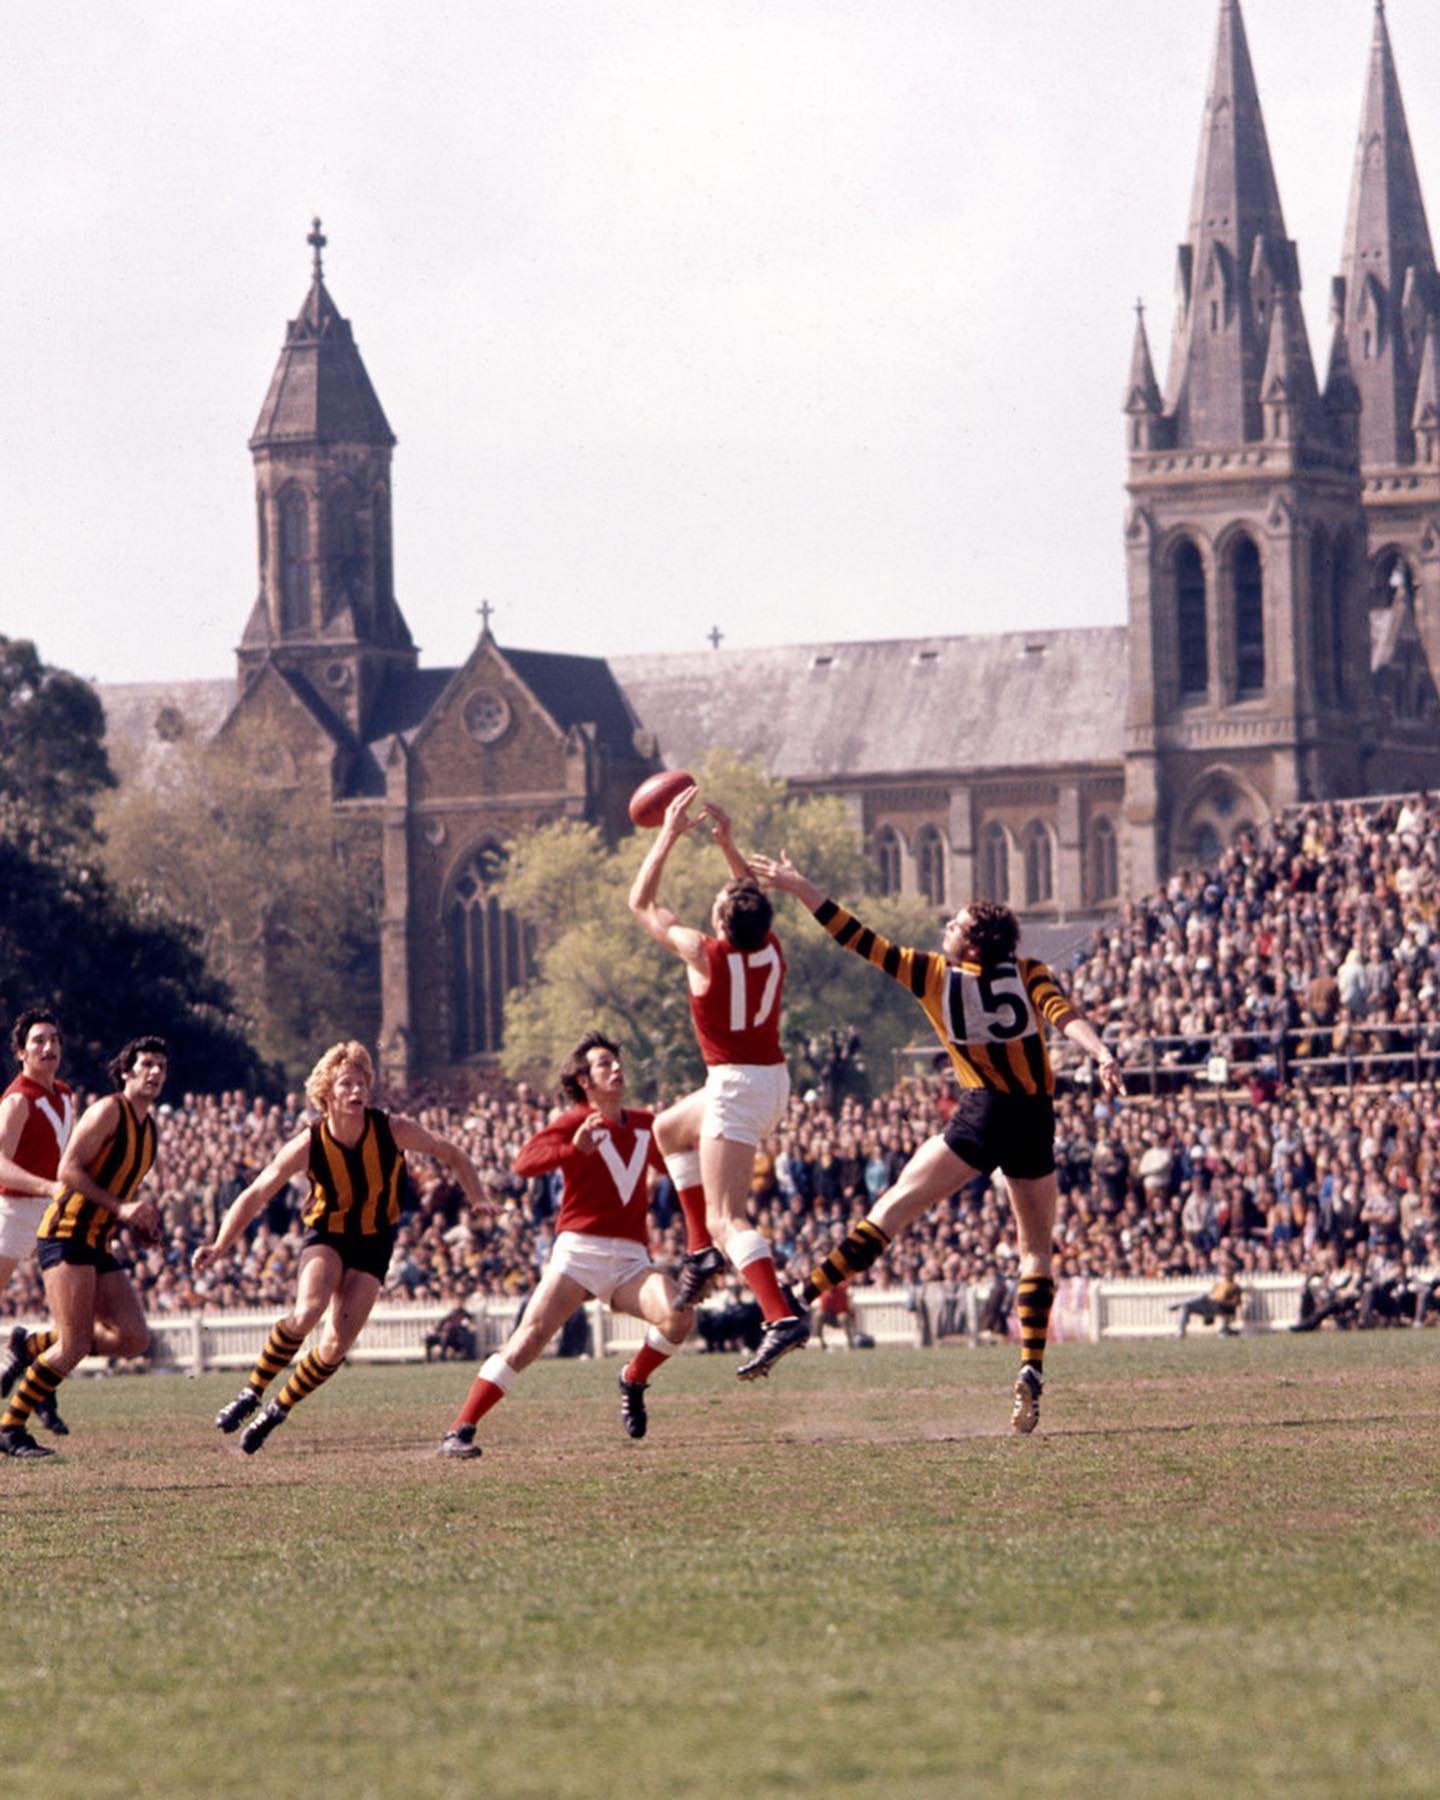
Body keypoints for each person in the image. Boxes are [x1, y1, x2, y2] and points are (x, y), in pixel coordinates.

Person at [747, 853, 1123, 1431]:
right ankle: (1030, 1367)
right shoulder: (1029, 971)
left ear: (971, 945)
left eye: (956, 924)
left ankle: (799, 1300)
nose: (946, 927)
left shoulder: (932, 973)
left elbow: (854, 935)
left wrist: (799, 884)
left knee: (892, 1210)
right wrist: (1100, 1053)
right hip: (1033, 1118)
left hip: (982, 1113)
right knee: (1035, 1250)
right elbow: (1064, 1015)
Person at [194, 1040, 485, 1455]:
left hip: (374, 1241)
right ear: (326, 1093)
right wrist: (220, 1244)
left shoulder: (391, 1129)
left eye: (362, 1083)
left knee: (335, 1346)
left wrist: (477, 1197)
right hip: (327, 1235)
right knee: (307, 1310)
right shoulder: (308, 1143)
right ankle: (251, 1391)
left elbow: (451, 1152)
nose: (356, 1092)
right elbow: (256, 1192)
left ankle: (276, 1410)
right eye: (346, 1084)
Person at [437, 1030, 694, 1459]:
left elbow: (677, 1169)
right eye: (604, 1065)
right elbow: (524, 1163)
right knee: (528, 1339)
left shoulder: (647, 1124)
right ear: (584, 1081)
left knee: (679, 1318)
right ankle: (459, 1431)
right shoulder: (573, 1121)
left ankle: (632, 1378)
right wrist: (573, 1151)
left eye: (617, 1062)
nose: (616, 1069)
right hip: (578, 1252)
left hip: (630, 1257)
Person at [627, 786, 805, 1375]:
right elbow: (752, 902)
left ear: (723, 923)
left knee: (732, 1216)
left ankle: (779, 1315)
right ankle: (700, 1253)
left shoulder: (706, 955)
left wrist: (667, 835)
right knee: (667, 1130)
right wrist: (729, 846)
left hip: (737, 1086)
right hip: (766, 1079)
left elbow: (641, 903)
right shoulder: (770, 948)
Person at [0, 1035, 168, 1459]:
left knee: (133, 1338)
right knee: (73, 1346)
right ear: (126, 1071)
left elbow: (120, 1188)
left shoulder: (149, 1129)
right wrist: (122, 1209)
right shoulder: (108, 1111)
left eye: (161, 1067)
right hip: (65, 1232)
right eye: (145, 1064)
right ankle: (10, 1428)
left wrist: (137, 1223)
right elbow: (68, 1170)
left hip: (96, 1238)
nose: (154, 1072)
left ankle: (29, 1346)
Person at [0, 1008, 78, 1437]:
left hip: (54, 1211)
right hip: (14, 1211)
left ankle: (40, 1387)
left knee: (71, 1312)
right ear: (21, 1053)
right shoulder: (17, 1101)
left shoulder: (65, 1094)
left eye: (54, 1040)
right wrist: (47, 1188)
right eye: (38, 1042)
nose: (49, 1048)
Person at [1171, 1261, 1242, 1338]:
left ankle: (1180, 1303)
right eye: (1223, 1271)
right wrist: (1211, 1297)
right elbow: (1211, 1294)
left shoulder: (1234, 1286)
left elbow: (1236, 1302)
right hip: (1209, 1305)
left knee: (1203, 1296)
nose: (1224, 1273)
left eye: (1226, 1271)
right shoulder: (1218, 1285)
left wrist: (1220, 1301)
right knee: (1186, 1306)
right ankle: (1180, 1332)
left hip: (1220, 1307)